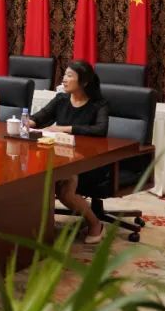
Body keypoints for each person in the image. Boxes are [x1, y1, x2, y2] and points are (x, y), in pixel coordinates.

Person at [27, 60, 110, 244]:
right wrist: (28, 122)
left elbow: (100, 130)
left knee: (65, 190)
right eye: (64, 74)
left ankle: (96, 224)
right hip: (61, 157)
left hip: (89, 161)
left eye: (69, 76)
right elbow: (40, 117)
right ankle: (39, 227)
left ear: (84, 82)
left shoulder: (99, 104)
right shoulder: (61, 99)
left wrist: (65, 128)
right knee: (32, 177)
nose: (64, 79)